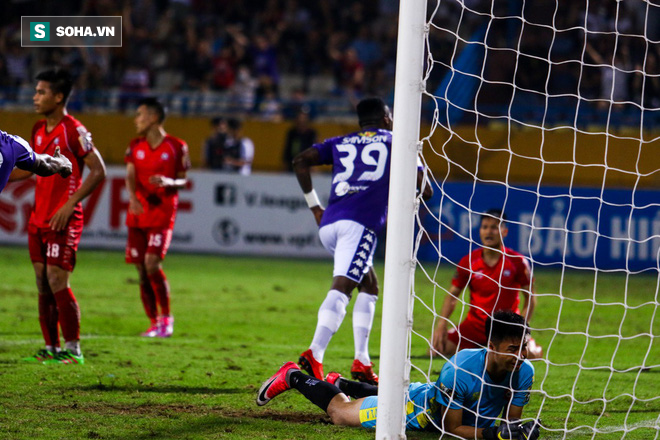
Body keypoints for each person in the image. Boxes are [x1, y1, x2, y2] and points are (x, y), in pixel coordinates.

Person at [292, 97, 433, 384]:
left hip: (329, 222)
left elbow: (300, 161)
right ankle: (315, 353)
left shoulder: (341, 141)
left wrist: (315, 207)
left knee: (369, 285)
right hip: (359, 226)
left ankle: (362, 361)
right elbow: (426, 189)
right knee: (343, 286)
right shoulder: (398, 141)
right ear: (385, 118)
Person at [256, 310, 541, 440]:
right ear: (490, 347)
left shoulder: (524, 371)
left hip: (434, 395)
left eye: (524, 348)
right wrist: (493, 434)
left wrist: (518, 432)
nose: (521, 356)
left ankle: (341, 382)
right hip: (415, 411)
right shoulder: (460, 370)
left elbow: (511, 422)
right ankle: (292, 375)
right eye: (513, 349)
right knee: (341, 414)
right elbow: (451, 429)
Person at [17, 69, 107, 365]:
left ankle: (73, 349)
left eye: (41, 92)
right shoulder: (38, 129)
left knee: (57, 279)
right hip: (38, 217)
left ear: (58, 97)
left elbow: (98, 170)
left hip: (63, 218)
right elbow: (31, 168)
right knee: (42, 281)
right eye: (36, 91)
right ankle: (50, 348)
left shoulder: (73, 130)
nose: (35, 97)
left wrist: (70, 204)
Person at [431, 209, 543, 359]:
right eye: (485, 227)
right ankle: (483, 351)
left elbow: (530, 298)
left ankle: (531, 346)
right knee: (436, 349)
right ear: (480, 231)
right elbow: (452, 296)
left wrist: (522, 327)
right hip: (475, 325)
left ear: (504, 231)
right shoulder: (468, 261)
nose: (488, 231)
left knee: (529, 355)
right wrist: (441, 324)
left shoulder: (518, 262)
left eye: (494, 227)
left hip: (506, 326)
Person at [125, 97, 190, 338]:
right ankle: (154, 322)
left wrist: (169, 181)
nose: (136, 120)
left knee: (152, 264)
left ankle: (166, 319)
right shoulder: (134, 146)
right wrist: (132, 198)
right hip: (138, 214)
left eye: (140, 115)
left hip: (163, 213)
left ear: (153, 117)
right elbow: (130, 175)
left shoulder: (176, 146)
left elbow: (184, 179)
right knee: (141, 270)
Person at [0, 130, 72, 192]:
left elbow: (44, 164)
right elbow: (45, 164)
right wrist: (62, 163)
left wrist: (62, 163)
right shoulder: (12, 145)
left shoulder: (13, 145)